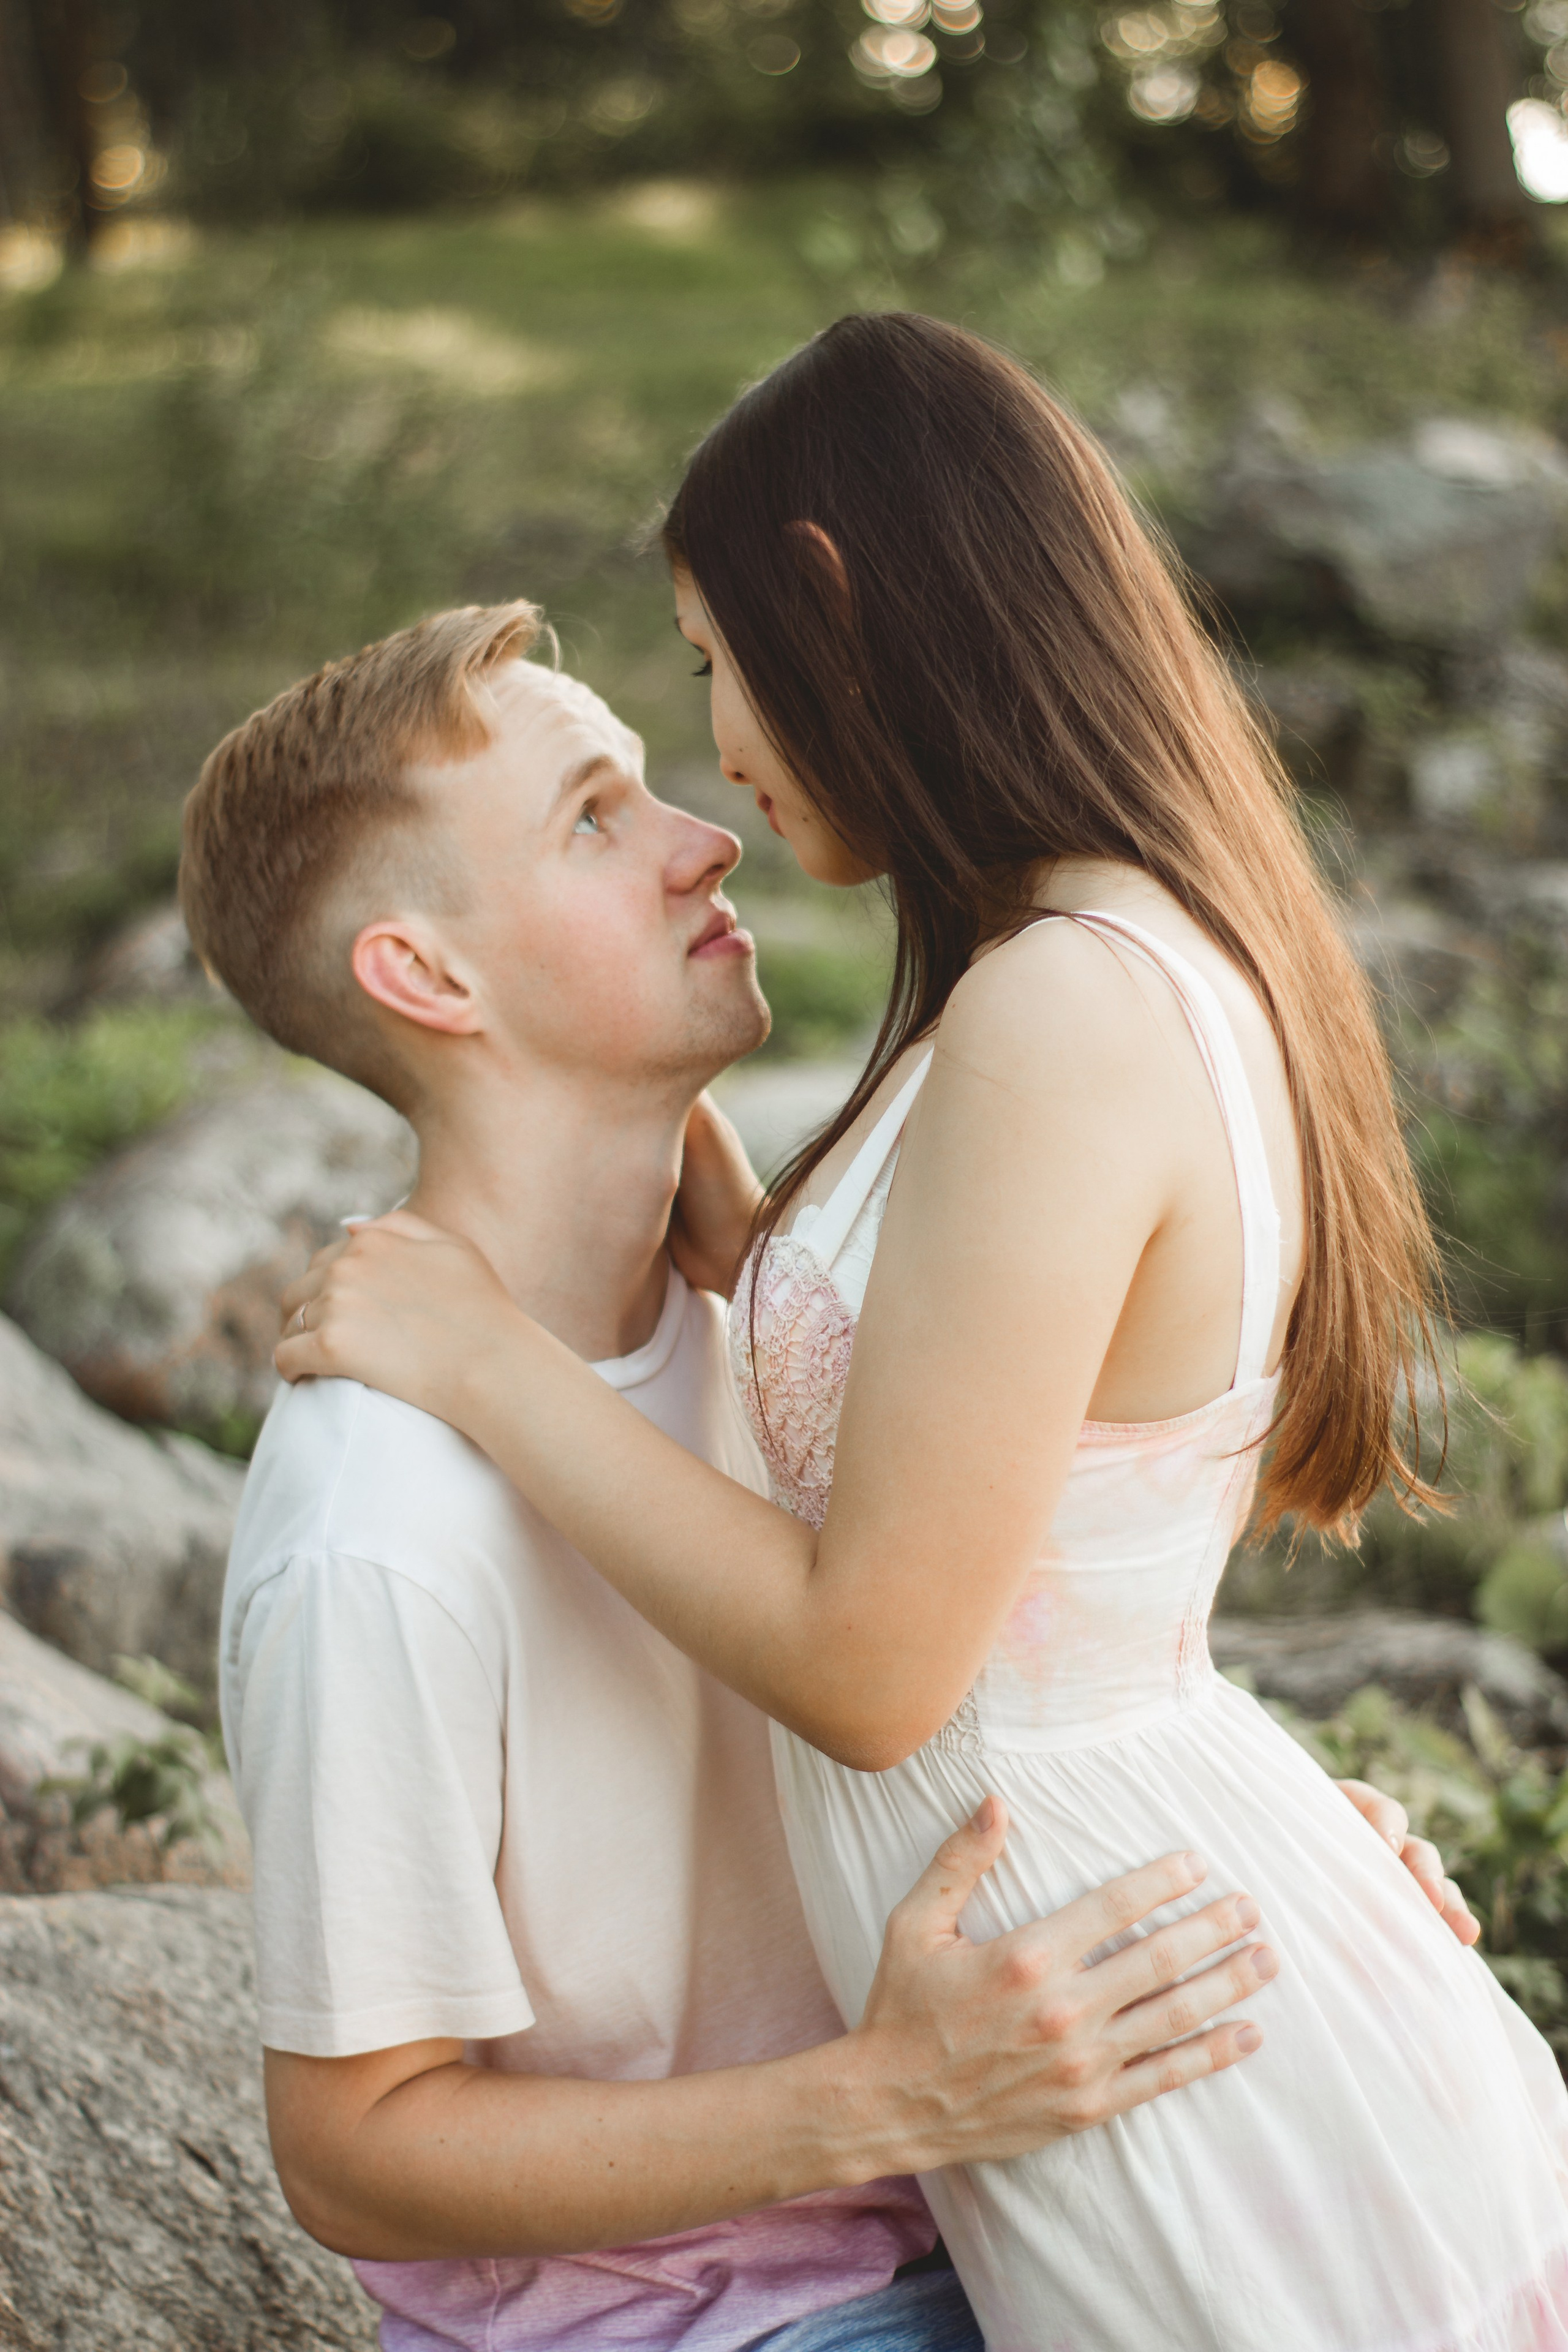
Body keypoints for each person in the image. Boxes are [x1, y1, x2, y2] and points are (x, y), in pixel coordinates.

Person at [274, 316, 1555, 2352]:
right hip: (1115, 1977)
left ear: (839, 603)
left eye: (711, 664)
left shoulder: (1060, 1006)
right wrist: (751, 1260)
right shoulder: (1108, 957)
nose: (722, 761)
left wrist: (481, 1353)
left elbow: (880, 1671)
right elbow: (1049, 1511)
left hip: (1138, 2045)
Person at [187, 601, 1373, 2352]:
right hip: (718, 2321)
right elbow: (353, 2154)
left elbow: (1022, 1674)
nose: (706, 838)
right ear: (427, 979)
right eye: (595, 819)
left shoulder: (767, 1332)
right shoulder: (376, 1521)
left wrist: (1275, 1867)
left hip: (1000, 2205)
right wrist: (883, 2102)